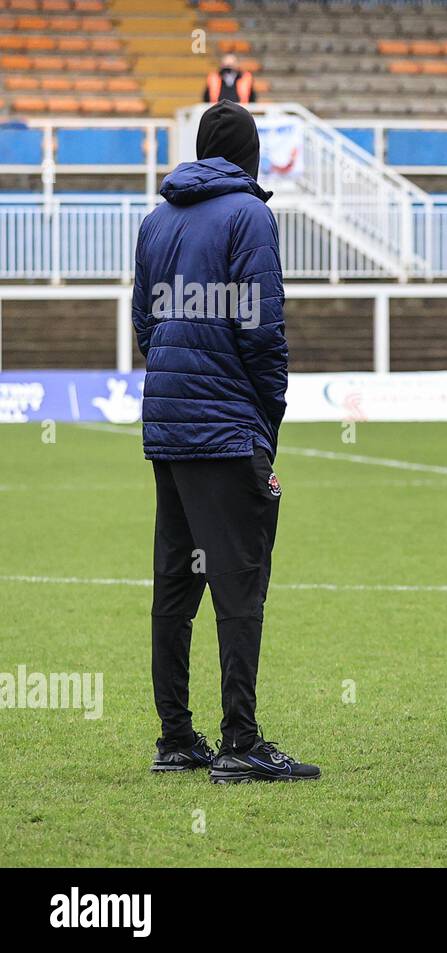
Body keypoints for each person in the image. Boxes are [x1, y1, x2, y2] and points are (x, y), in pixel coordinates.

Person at [133, 100, 316, 783]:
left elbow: (145, 325)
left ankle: (176, 737)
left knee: (176, 584)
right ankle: (241, 740)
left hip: (170, 424)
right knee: (239, 584)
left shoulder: (157, 219)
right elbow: (261, 329)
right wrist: (268, 415)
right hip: (226, 426)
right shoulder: (249, 214)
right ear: (251, 156)